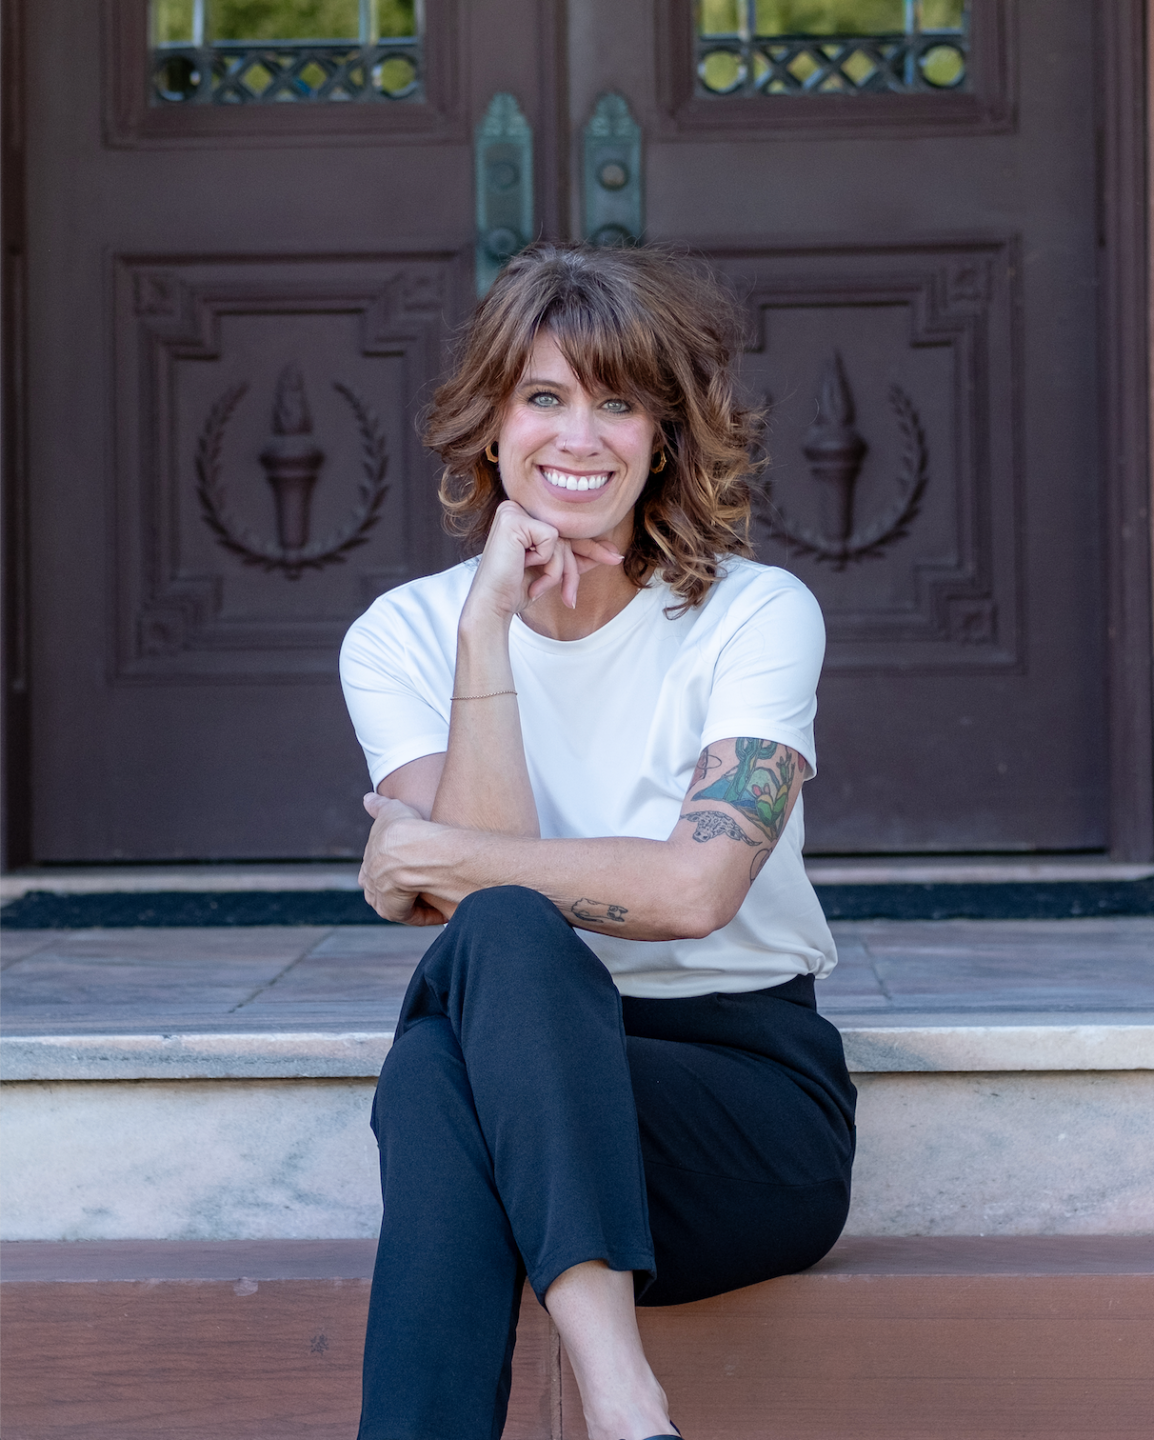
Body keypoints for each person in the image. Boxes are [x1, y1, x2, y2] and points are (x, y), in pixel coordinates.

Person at [339, 242, 857, 1440]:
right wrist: (486, 630)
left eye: (618, 403)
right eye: (543, 397)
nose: (580, 438)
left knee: (456, 1025)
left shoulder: (752, 613)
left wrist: (431, 853)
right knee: (473, 1002)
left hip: (737, 1112)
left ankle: (615, 1403)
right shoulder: (404, 636)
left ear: (663, 436)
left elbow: (694, 893)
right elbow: (480, 915)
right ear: (491, 423)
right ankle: (628, 1409)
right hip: (526, 1091)